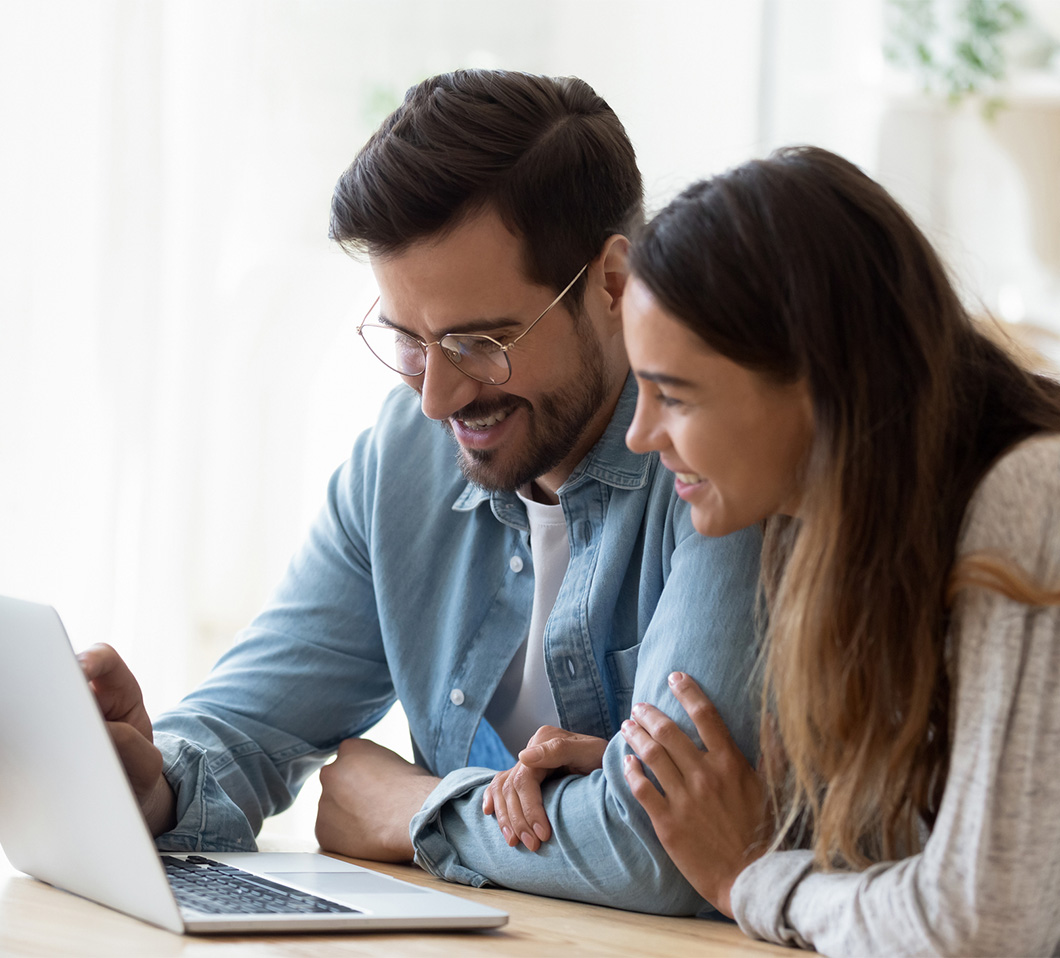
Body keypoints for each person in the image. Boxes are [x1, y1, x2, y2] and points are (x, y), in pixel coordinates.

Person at [77, 69, 762, 916]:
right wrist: (149, 781)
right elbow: (247, 730)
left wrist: (414, 811)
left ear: (612, 284)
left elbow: (668, 848)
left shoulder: (724, 464)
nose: (437, 397)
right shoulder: (406, 455)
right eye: (406, 340)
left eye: (480, 341)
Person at [608, 145, 1060, 955]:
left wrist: (754, 878)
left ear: (817, 381)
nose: (642, 436)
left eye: (673, 394)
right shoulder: (841, 540)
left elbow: (981, 924)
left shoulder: (1033, 496)